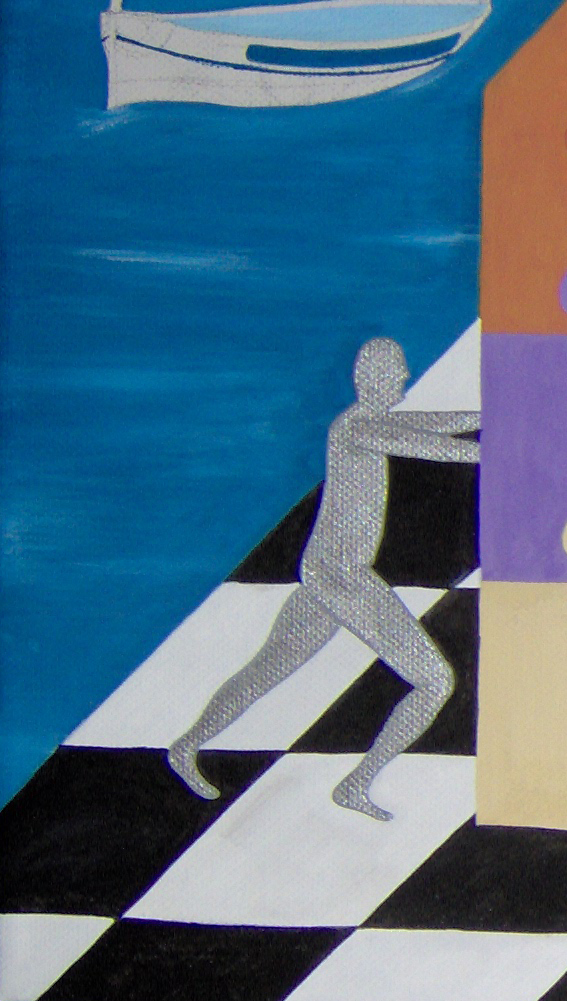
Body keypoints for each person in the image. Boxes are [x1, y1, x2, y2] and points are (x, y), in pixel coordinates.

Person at [167, 338, 480, 820]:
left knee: (266, 669)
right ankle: (356, 783)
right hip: (342, 577)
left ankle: (186, 745)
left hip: (325, 573)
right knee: (435, 682)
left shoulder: (369, 422)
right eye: (395, 370)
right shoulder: (357, 428)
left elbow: (435, 424)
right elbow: (429, 446)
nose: (404, 376)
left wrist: (493, 415)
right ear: (367, 376)